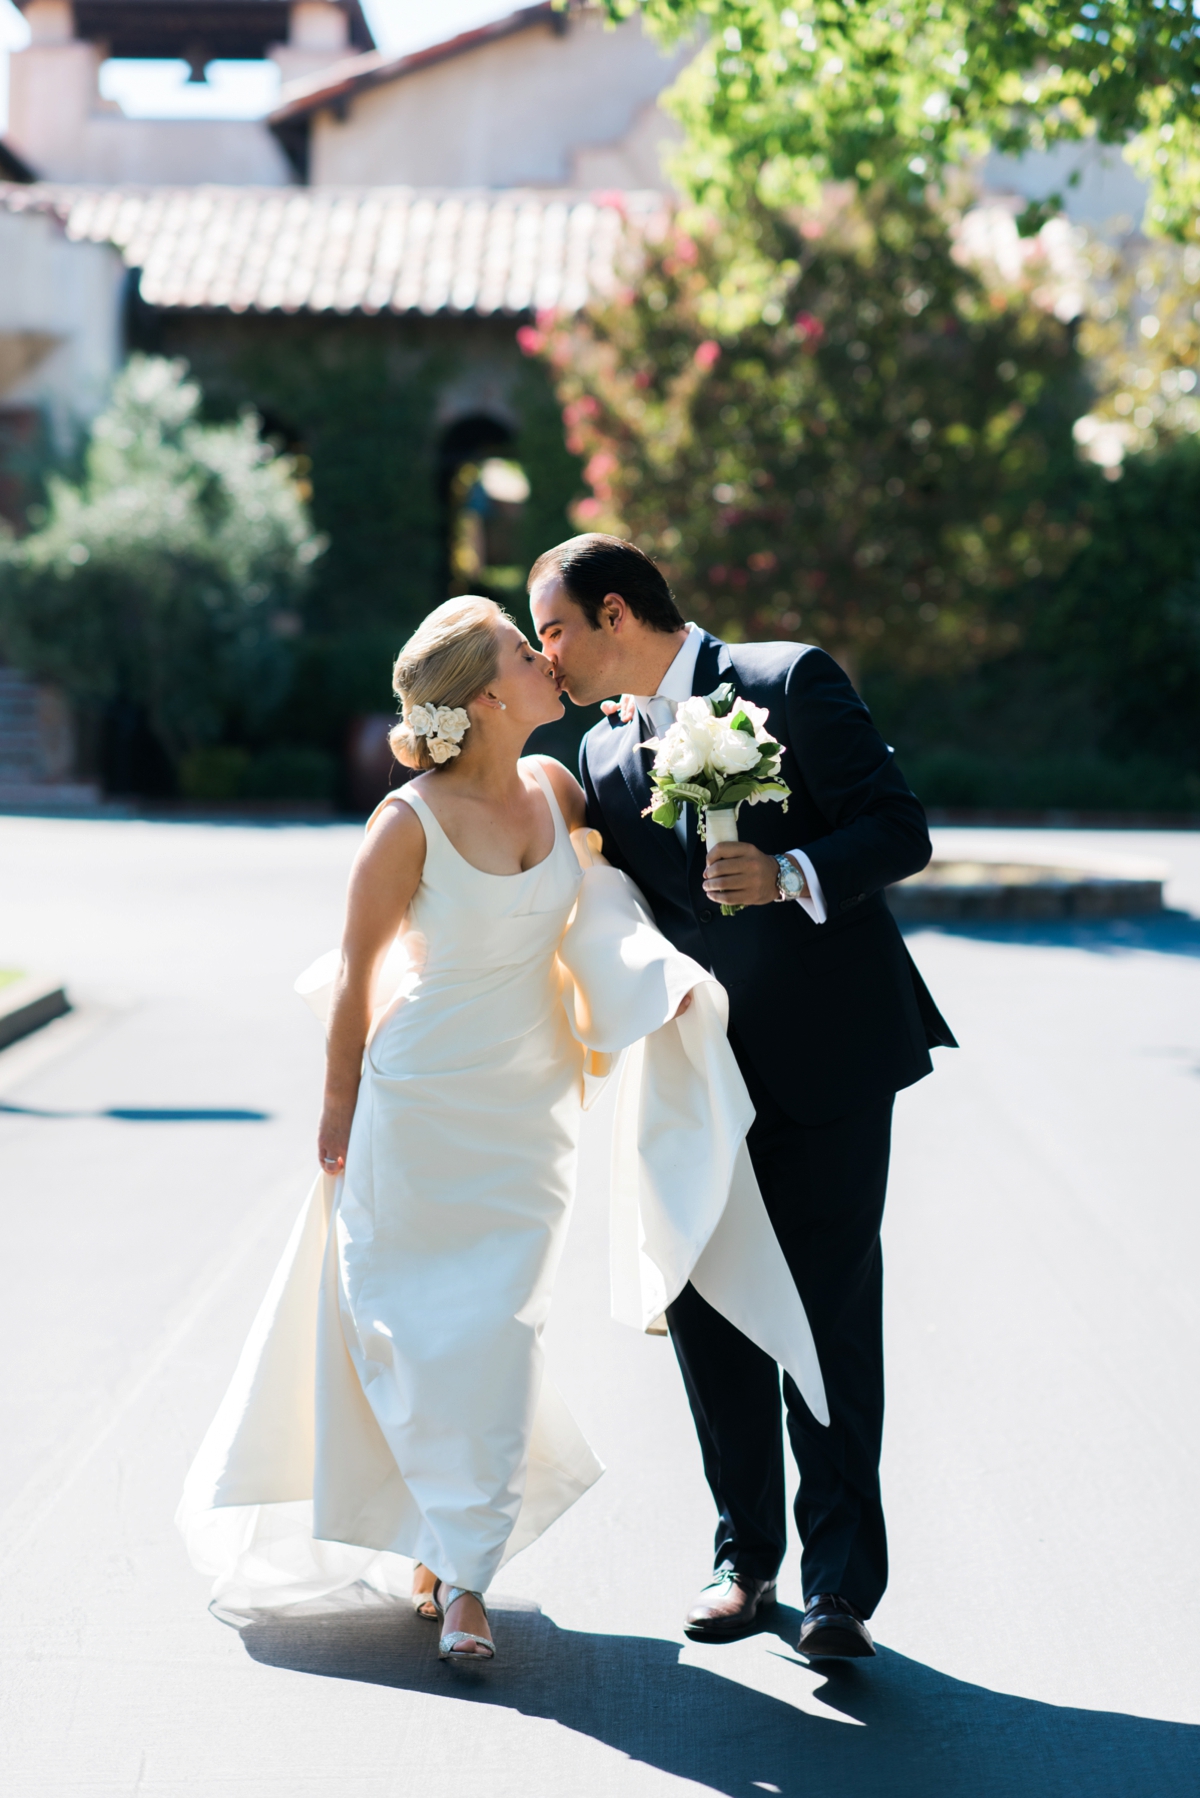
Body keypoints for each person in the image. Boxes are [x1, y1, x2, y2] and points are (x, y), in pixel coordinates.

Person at [178, 593, 825, 1664]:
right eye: (531, 652)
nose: (551, 661)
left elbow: (619, 895)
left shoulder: (556, 786)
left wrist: (666, 971)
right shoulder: (406, 823)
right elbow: (356, 976)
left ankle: (456, 1560)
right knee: (426, 1337)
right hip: (422, 1100)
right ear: (486, 696)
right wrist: (339, 1105)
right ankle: (463, 1577)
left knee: (500, 1335)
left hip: (530, 1112)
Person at [530, 533, 956, 1659]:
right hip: (698, 1078)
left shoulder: (786, 680)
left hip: (830, 1057)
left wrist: (792, 871)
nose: (547, 652)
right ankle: (743, 1561)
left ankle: (838, 1590)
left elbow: (899, 826)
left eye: (556, 628)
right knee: (710, 1309)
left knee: (826, 1310)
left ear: (615, 612)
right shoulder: (602, 749)